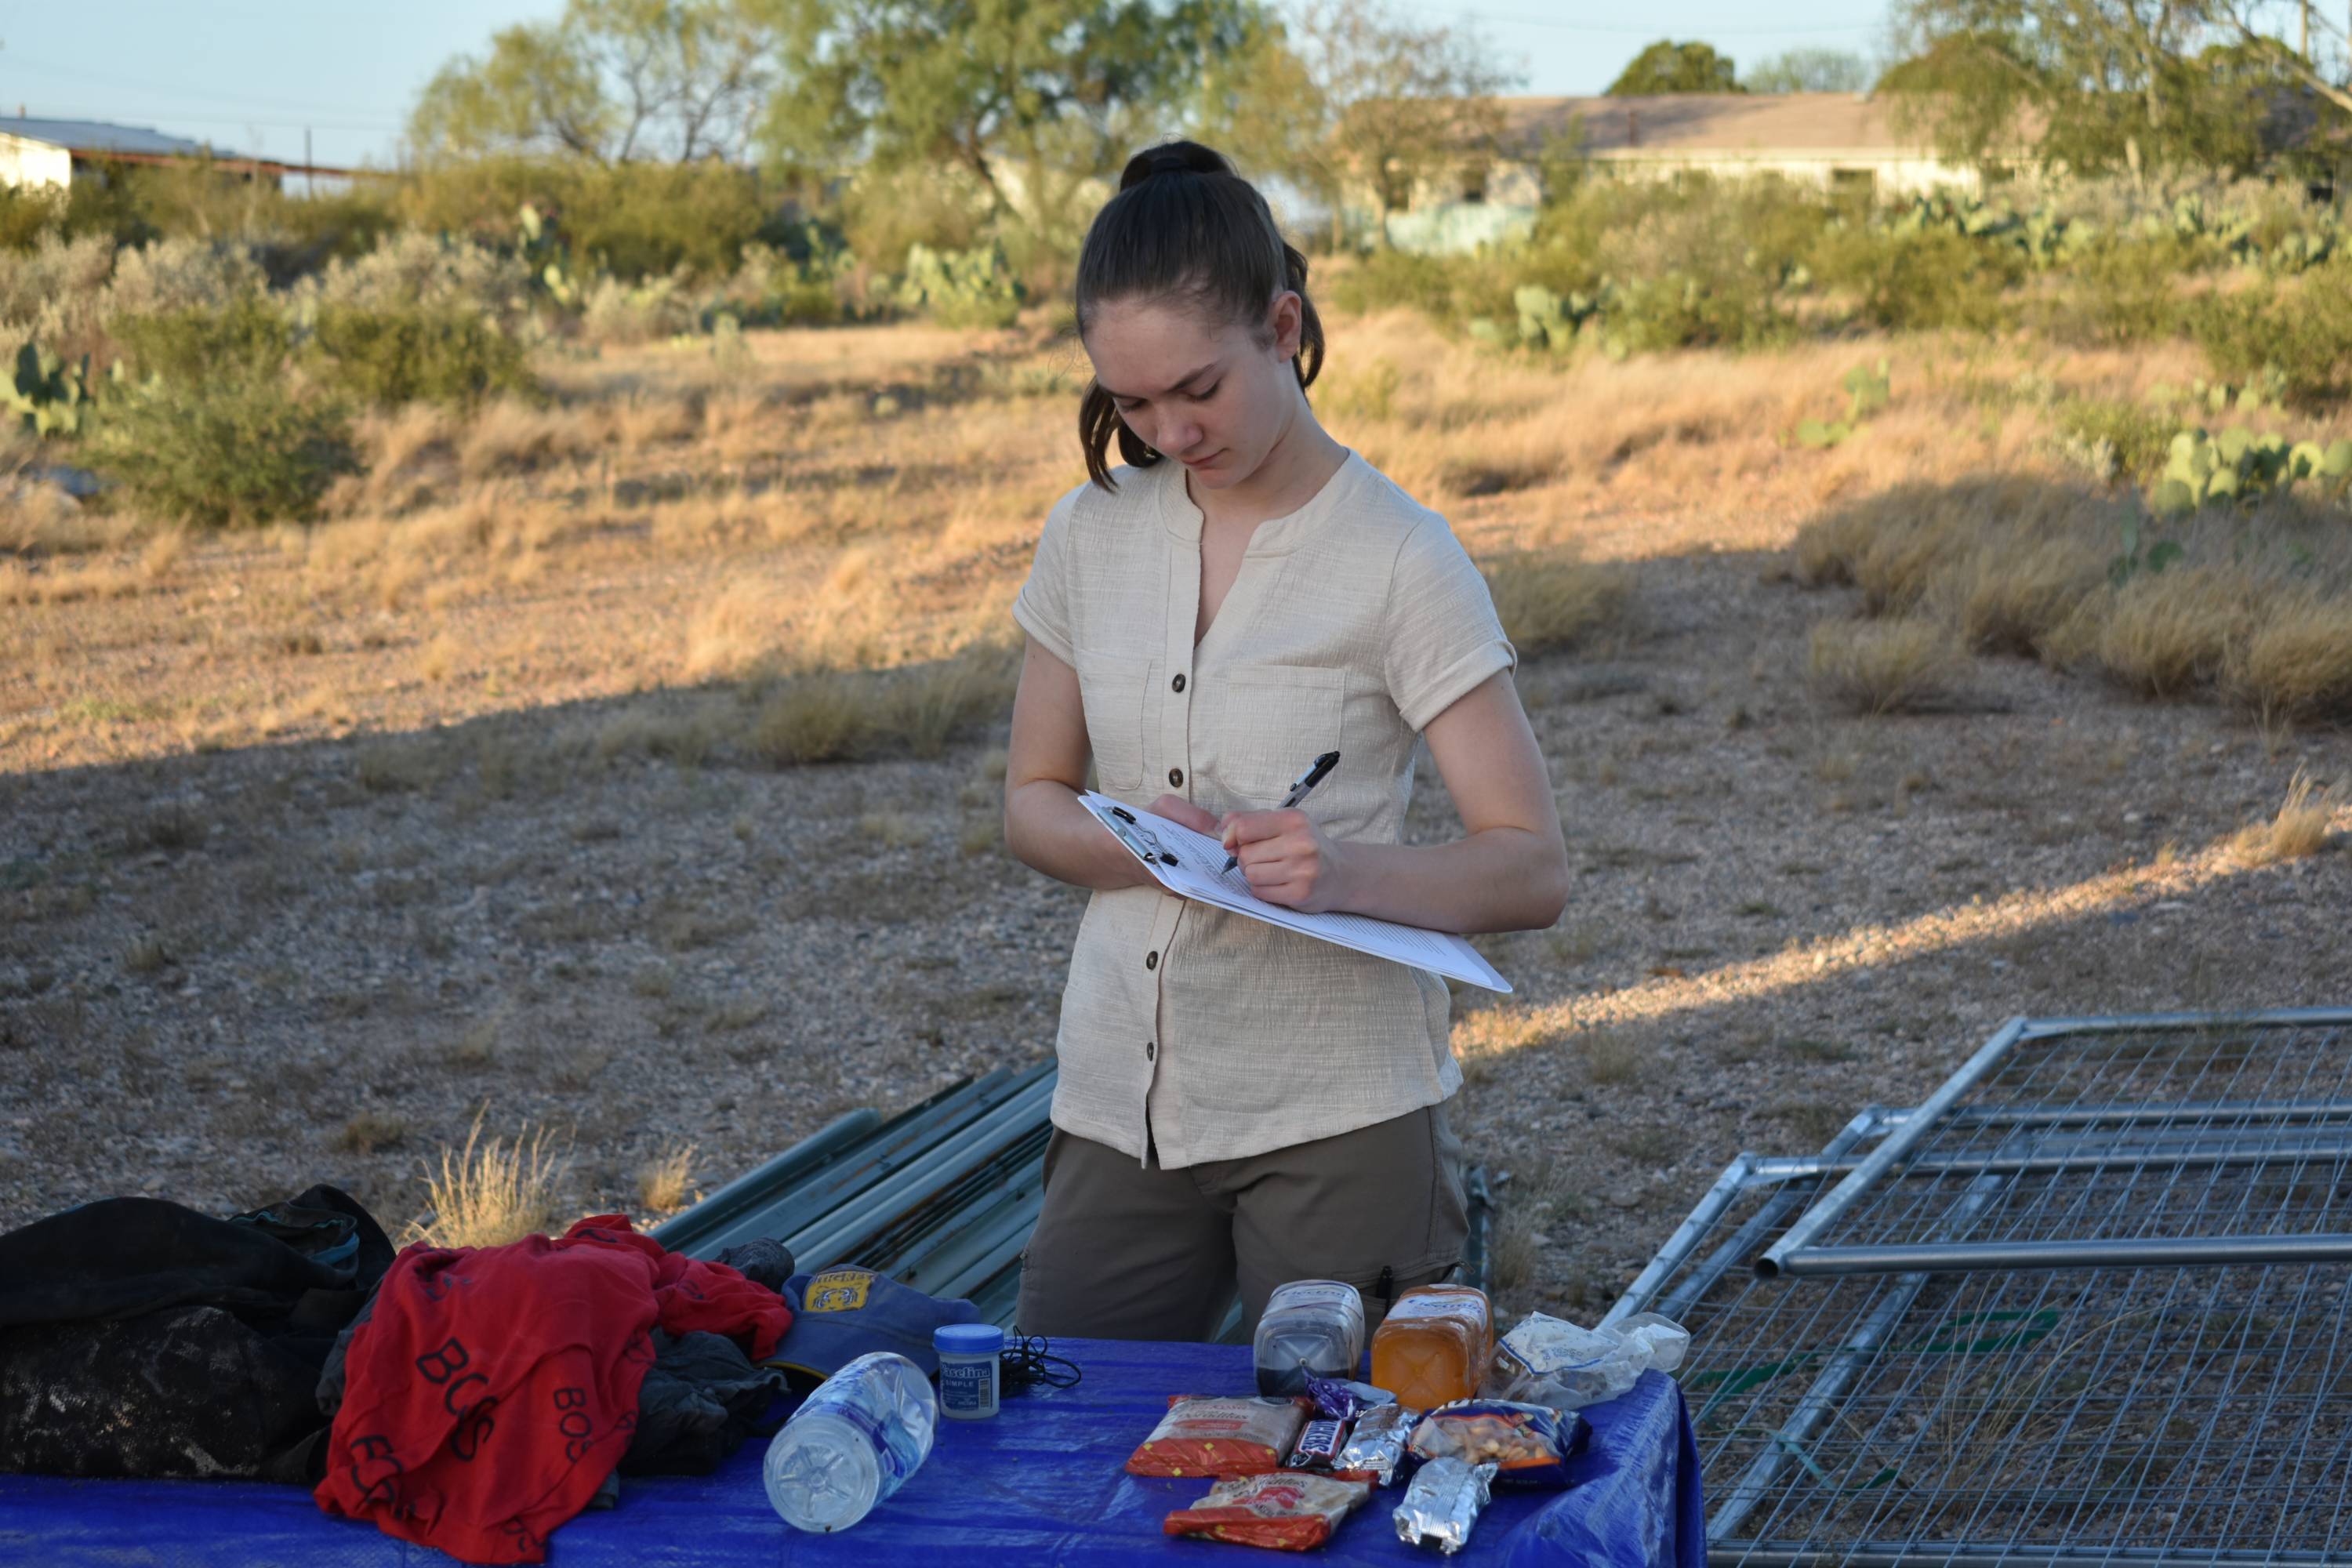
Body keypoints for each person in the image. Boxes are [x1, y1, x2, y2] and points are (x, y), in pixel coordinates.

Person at [1004, 140, 1570, 1342]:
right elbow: (1033, 803)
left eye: (1197, 390)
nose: (1167, 432)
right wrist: (1143, 844)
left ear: (1283, 323)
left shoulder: (1402, 558)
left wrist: (1340, 870)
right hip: (1117, 1102)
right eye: (1132, 402)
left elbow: (1531, 867)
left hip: (1340, 1114)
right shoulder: (1086, 534)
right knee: (1066, 1449)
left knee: (1348, 1458)